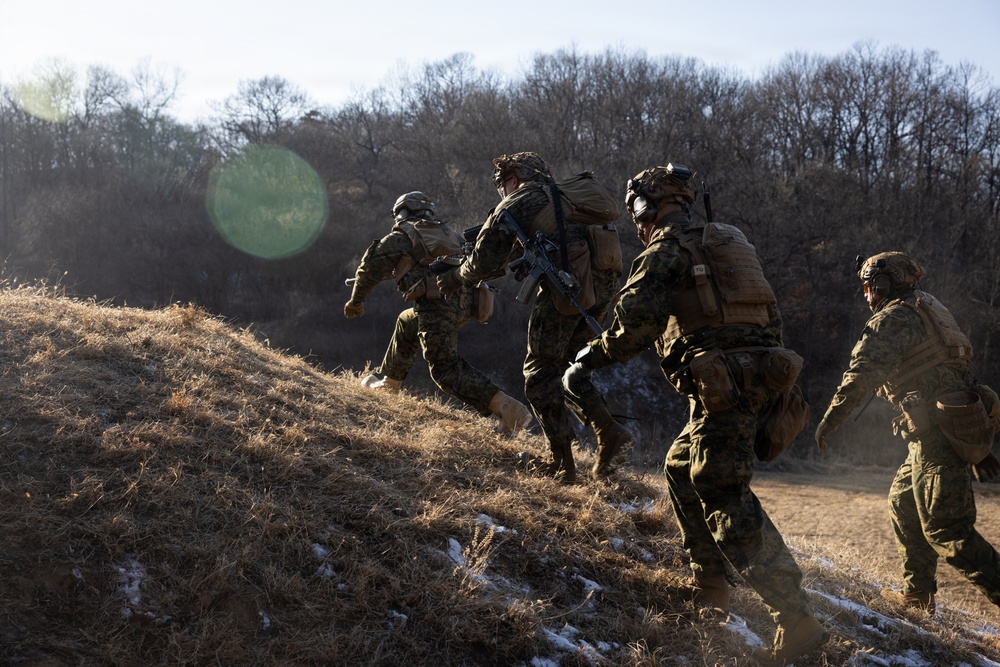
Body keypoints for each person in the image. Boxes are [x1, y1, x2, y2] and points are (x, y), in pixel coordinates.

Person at [562, 163, 829, 665]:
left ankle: (797, 620)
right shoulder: (731, 244)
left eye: (635, 209)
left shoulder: (665, 251)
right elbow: (770, 317)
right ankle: (710, 589)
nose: (635, 222)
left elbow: (634, 329)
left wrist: (586, 359)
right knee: (681, 467)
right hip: (754, 379)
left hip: (725, 387)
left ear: (646, 205)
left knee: (723, 493)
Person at [816, 251, 1000, 614]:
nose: (867, 294)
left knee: (949, 531)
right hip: (944, 431)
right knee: (903, 502)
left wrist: (830, 420)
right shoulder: (929, 308)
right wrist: (975, 439)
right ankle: (918, 596)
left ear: (885, 285)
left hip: (937, 438)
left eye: (870, 286)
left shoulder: (894, 319)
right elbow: (960, 376)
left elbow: (862, 374)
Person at [436, 152, 630, 483]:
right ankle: (608, 431)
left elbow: (484, 262)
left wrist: (455, 277)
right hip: (602, 290)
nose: (501, 192)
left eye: (501, 185)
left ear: (513, 178)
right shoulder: (563, 202)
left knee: (540, 373)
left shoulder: (520, 201)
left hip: (567, 290)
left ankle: (562, 464)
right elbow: (505, 260)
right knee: (571, 367)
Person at [344, 191, 532, 434]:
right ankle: (389, 382)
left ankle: (509, 409)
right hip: (464, 305)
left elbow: (368, 269)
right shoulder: (450, 235)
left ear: (402, 212)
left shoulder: (403, 236)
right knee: (408, 320)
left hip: (437, 306)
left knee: (445, 370)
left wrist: (355, 302)